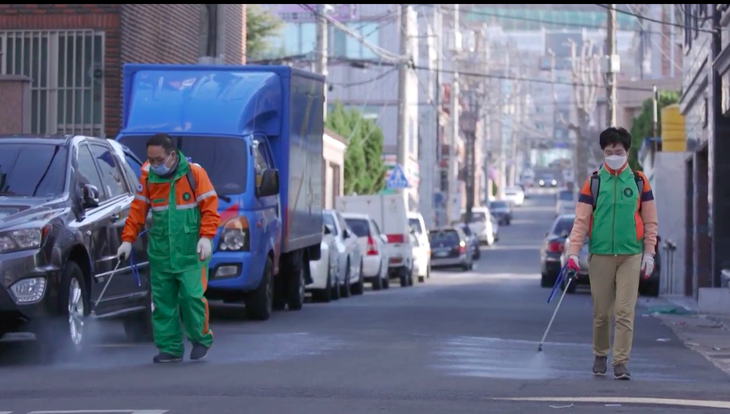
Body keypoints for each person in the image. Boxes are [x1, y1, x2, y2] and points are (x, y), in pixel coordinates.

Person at [117, 133, 221, 363]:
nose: (155, 164)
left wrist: (205, 237)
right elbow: (137, 211)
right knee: (163, 304)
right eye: (150, 159)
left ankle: (201, 339)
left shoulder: (194, 174)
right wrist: (127, 240)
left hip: (191, 253)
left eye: (158, 159)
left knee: (192, 298)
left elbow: (210, 209)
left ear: (172, 156)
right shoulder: (147, 177)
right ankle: (171, 348)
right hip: (162, 253)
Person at [566, 127, 658, 380]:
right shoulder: (594, 182)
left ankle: (620, 362)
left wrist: (649, 253)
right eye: (609, 152)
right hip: (601, 255)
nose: (613, 155)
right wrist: (573, 252)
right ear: (603, 153)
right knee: (602, 313)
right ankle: (600, 353)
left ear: (627, 152)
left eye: (618, 151)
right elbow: (581, 221)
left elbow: (650, 221)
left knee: (625, 311)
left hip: (631, 255)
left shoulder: (639, 182)